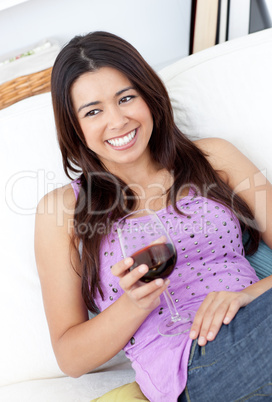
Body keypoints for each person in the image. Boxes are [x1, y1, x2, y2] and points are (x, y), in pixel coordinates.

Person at [35, 31, 272, 402]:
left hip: (260, 317)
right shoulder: (62, 211)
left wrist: (247, 295)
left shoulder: (215, 159)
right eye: (93, 111)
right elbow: (70, 356)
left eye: (126, 98)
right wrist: (133, 305)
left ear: (149, 96)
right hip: (191, 364)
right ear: (75, 127)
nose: (117, 121)